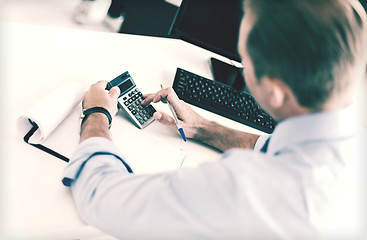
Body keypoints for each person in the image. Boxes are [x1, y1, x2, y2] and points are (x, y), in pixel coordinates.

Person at [62, 0, 367, 239]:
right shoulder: (350, 142)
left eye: (247, 60)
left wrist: (97, 115)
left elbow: (103, 199)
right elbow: (279, 147)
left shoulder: (243, 189)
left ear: (274, 92)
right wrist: (205, 129)